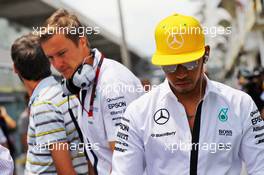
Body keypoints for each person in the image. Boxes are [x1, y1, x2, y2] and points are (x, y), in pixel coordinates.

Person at [111, 13, 264, 175]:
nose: (180, 73)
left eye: (189, 63)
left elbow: (260, 166)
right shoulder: (138, 112)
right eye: (170, 66)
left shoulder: (240, 104)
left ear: (206, 54)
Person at [38, 9, 144, 175]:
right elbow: (98, 156)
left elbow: (125, 160)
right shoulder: (85, 83)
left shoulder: (112, 84)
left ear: (82, 42)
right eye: (50, 58)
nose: (57, 65)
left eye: (62, 53)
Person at [11, 33, 89, 175]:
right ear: (48, 60)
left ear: (15, 68)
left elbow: (66, 172)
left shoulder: (45, 104)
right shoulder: (64, 92)